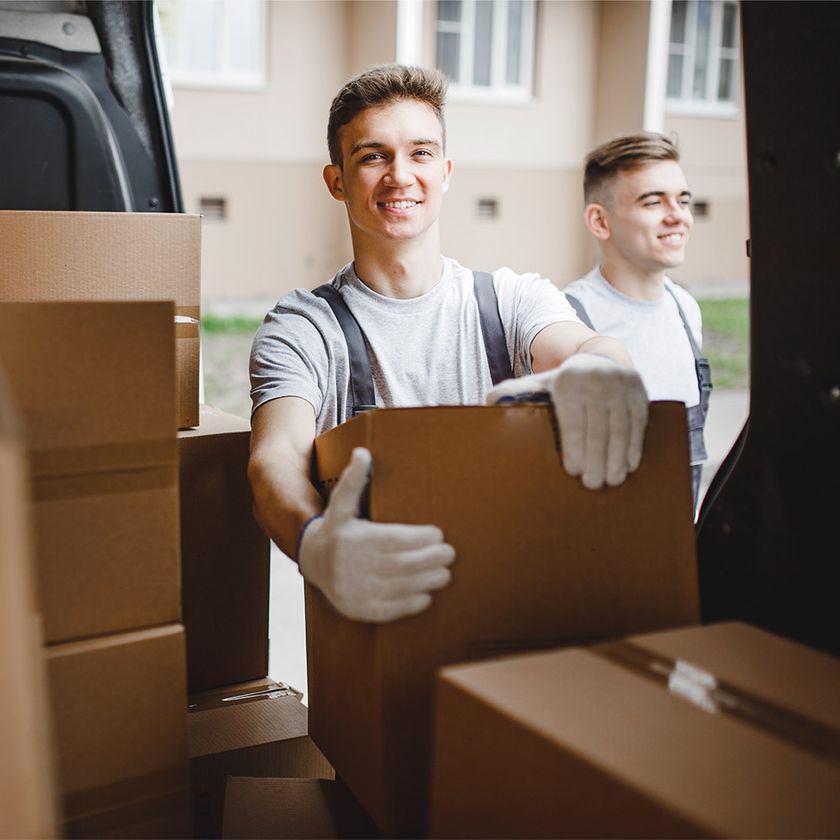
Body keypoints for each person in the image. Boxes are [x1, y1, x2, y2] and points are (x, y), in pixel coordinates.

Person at [248, 64, 649, 625]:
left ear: (446, 171)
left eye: (420, 153)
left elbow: (589, 347)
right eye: (372, 156)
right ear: (336, 181)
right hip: (378, 626)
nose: (399, 176)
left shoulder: (510, 299)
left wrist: (605, 369)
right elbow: (275, 457)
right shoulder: (302, 328)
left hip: (516, 613)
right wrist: (315, 543)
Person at [562, 132, 712, 511]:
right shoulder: (568, 319)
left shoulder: (685, 307)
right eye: (653, 201)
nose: (677, 215)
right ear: (599, 221)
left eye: (683, 200)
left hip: (681, 536)